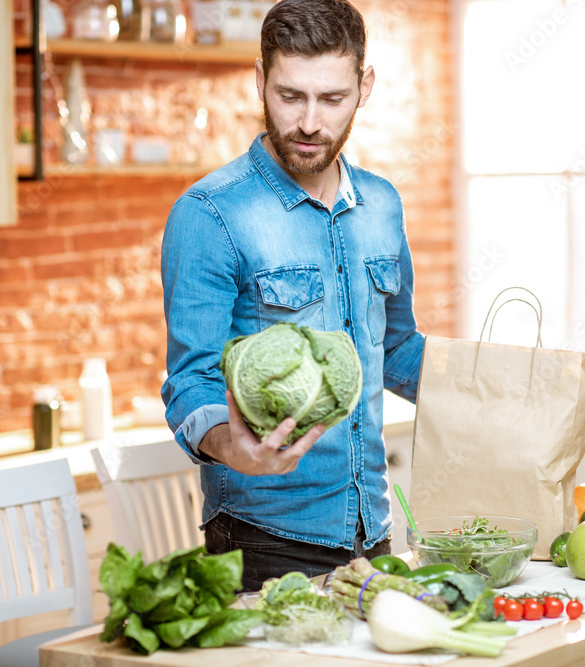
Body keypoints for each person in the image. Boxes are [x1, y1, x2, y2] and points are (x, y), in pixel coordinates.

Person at [160, 0, 424, 591]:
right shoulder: (209, 214)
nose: (310, 123)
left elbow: (398, 348)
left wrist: (497, 382)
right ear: (259, 82)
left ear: (365, 86)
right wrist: (232, 447)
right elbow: (191, 380)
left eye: (332, 99)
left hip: (374, 534)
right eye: (290, 96)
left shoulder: (382, 205)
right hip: (262, 542)